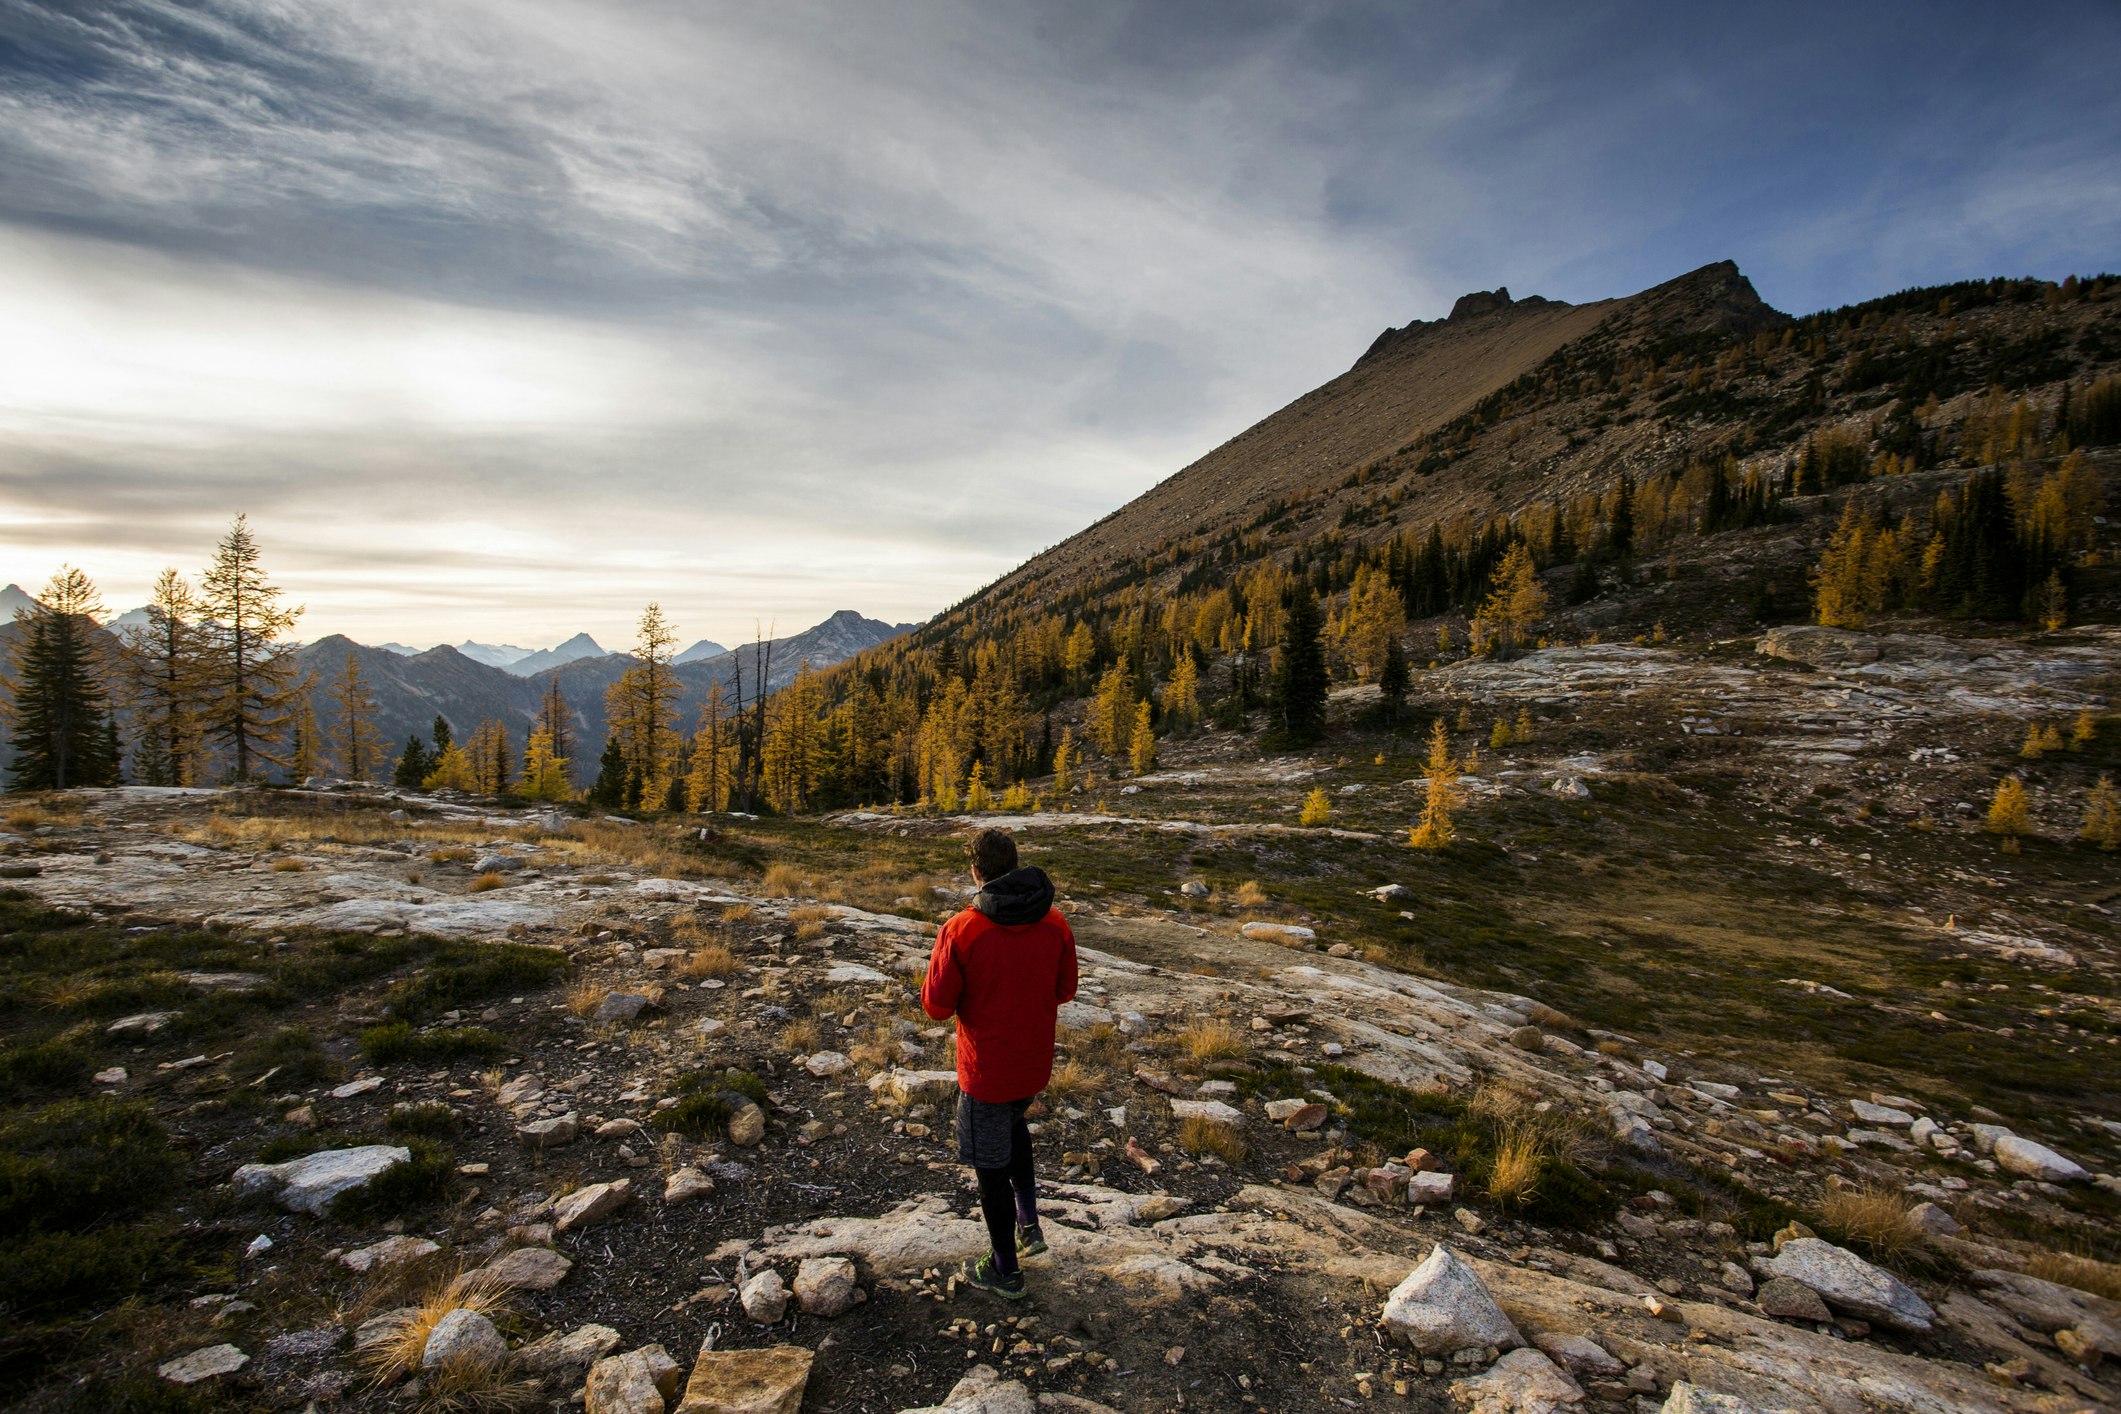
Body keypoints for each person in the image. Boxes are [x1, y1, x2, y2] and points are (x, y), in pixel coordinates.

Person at [921, 825, 1077, 1299]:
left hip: (985, 1070)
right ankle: (1029, 1226)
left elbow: (936, 1006)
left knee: (989, 1167)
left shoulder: (963, 929)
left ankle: (1005, 1269)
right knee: (1014, 1130)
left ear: (976, 871)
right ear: (1014, 865)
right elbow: (1065, 990)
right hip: (1031, 1066)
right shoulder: (1055, 922)